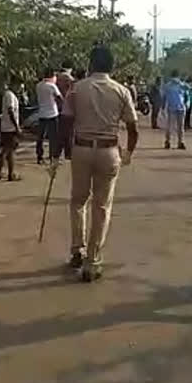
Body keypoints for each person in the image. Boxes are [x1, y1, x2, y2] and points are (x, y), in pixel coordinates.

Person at [64, 45, 139, 282]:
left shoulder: (77, 89)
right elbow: (133, 128)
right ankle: (93, 260)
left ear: (90, 64)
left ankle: (77, 248)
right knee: (102, 206)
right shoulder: (121, 90)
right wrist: (128, 152)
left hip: (82, 147)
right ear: (111, 66)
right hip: (108, 149)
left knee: (78, 201)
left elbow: (65, 122)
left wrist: (63, 151)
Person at [35, 68, 63, 165]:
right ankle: (52, 157)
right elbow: (60, 98)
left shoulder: (38, 86)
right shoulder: (52, 86)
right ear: (52, 76)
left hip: (42, 114)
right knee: (53, 137)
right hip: (52, 114)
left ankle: (39, 156)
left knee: (40, 137)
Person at [0, 78, 22, 181]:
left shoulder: (8, 95)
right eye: (19, 86)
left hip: (6, 126)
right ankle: (11, 174)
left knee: (4, 150)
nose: (20, 89)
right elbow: (10, 110)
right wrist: (16, 126)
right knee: (10, 151)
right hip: (10, 127)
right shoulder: (10, 95)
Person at [161, 70, 189, 150]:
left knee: (181, 127)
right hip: (172, 108)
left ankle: (180, 142)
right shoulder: (168, 86)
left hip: (180, 108)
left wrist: (186, 104)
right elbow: (164, 97)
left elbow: (187, 95)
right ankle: (168, 141)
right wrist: (163, 108)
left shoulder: (181, 85)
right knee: (170, 126)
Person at [57, 62, 75, 160]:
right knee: (69, 132)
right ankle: (68, 153)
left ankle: (57, 153)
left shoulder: (56, 77)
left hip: (57, 106)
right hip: (67, 106)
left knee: (60, 132)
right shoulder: (69, 78)